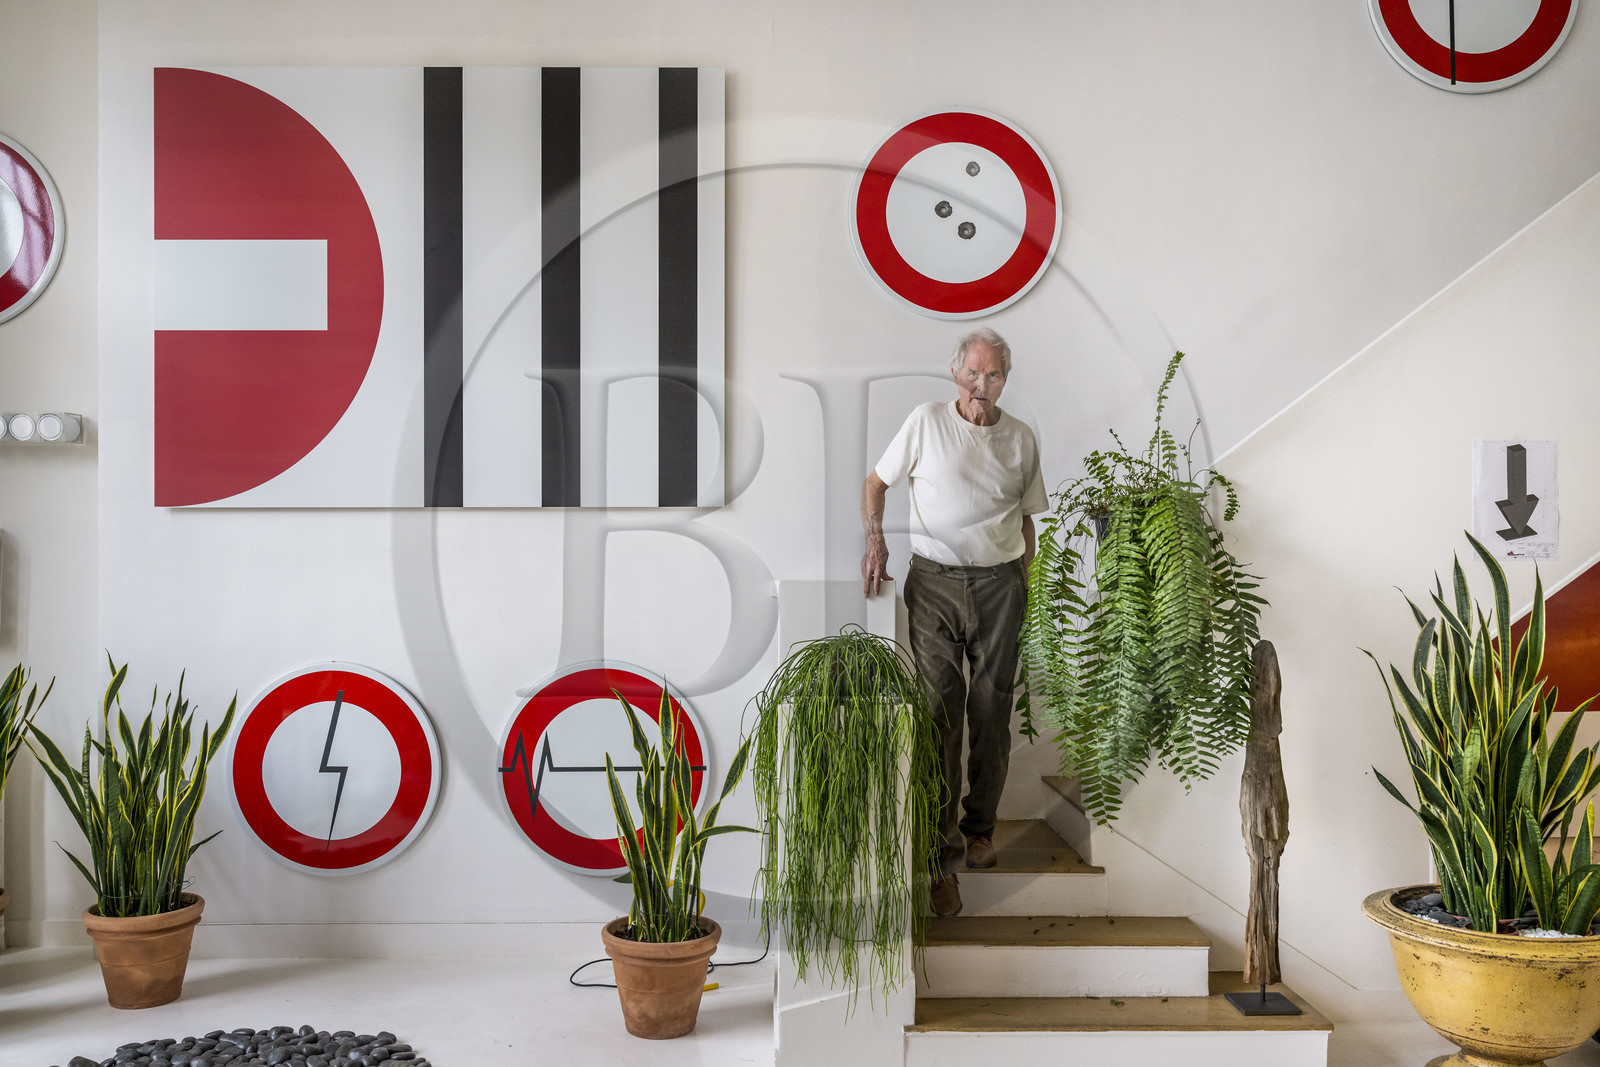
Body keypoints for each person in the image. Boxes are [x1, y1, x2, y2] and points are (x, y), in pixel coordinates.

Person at [861, 326, 1046, 917]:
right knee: (940, 715)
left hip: (1000, 588)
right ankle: (939, 865)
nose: (981, 385)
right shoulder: (926, 421)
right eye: (973, 373)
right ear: (955, 375)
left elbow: (1025, 522)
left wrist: (1025, 585)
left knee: (991, 715)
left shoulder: (1020, 439)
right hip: (935, 585)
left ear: (1005, 380)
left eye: (992, 375)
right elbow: (875, 483)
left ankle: (979, 830)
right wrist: (875, 543)